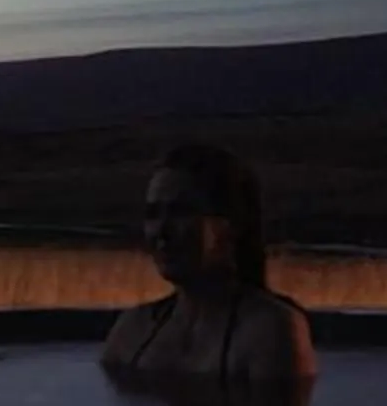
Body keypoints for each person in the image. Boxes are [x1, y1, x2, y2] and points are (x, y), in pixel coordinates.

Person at [100, 143, 317, 384]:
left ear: (232, 225)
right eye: (153, 214)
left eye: (181, 212)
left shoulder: (269, 331)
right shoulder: (133, 330)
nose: (161, 231)